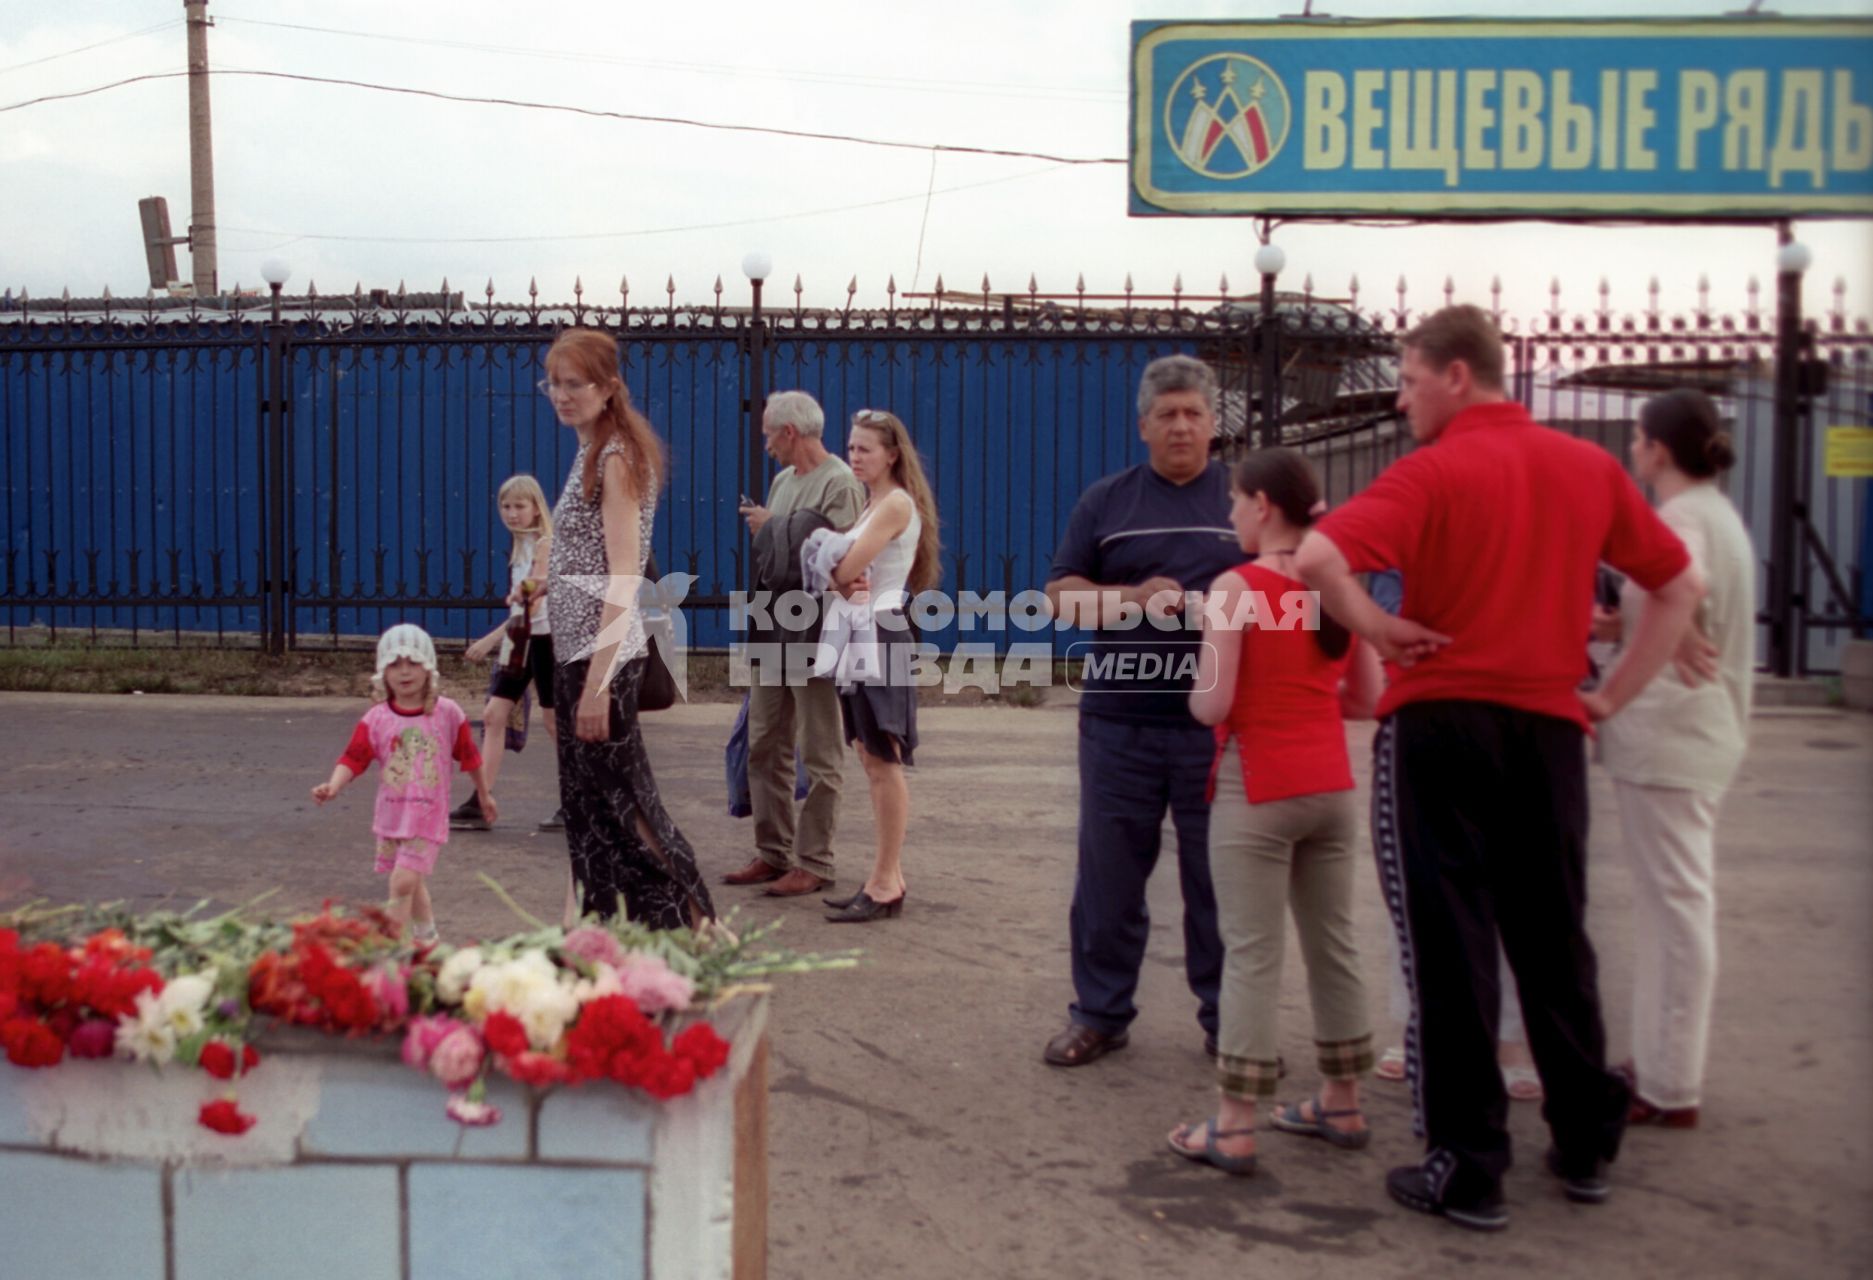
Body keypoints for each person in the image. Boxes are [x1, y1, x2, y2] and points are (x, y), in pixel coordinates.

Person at [1294, 304, 1702, 1230]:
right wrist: (1607, 699)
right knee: (1554, 938)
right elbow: (1677, 586)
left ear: (1454, 377)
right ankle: (1584, 1144)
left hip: (1440, 727)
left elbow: (1317, 555)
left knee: (1450, 945)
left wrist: (1380, 627)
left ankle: (1467, 1165)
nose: (1399, 402)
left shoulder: (1432, 471)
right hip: (1550, 732)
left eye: (1405, 381)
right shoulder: (1588, 467)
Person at [1167, 448, 1383, 1175]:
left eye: (1234, 501)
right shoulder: (1335, 581)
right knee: (1335, 942)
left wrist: (1200, 657)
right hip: (1330, 786)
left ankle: (1232, 1125)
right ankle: (1341, 1099)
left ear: (1262, 505)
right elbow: (1365, 698)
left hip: (1256, 787)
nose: (1228, 514)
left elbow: (1211, 706)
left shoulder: (1237, 586)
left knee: (1253, 952)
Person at [1041, 354, 1240, 1067]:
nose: (1181, 426)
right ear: (1143, 428)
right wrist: (1131, 598)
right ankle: (1098, 1013)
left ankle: (1228, 1025)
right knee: (1108, 878)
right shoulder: (1107, 502)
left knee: (1218, 882)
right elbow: (1060, 597)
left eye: (1193, 414)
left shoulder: (1241, 501)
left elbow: (1292, 586)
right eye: (1167, 416)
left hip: (1217, 730)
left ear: (1213, 425)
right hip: (1119, 722)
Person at [1596, 388, 1755, 1130]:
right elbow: (1663, 600)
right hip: (1687, 736)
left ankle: (1667, 1083)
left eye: (1636, 438)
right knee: (1672, 908)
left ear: (1658, 449)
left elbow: (1673, 591)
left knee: (1675, 911)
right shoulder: (1710, 515)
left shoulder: (1685, 518)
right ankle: (1661, 1061)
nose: (1632, 448)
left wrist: (1670, 622)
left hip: (1673, 735)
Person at [542, 328, 715, 930]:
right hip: (575, 652)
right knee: (591, 806)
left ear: (608, 387)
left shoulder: (616, 458)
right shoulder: (593, 450)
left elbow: (623, 578)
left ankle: (701, 924)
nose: (561, 396)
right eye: (553, 384)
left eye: (575, 384)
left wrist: (596, 684)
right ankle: (582, 928)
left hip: (600, 658)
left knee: (629, 805)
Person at [722, 390, 865, 898]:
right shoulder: (784, 481)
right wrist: (774, 530)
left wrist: (772, 527)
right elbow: (780, 554)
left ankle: (815, 861)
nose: (765, 446)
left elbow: (843, 560)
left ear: (789, 432)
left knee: (820, 749)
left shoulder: (840, 484)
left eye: (767, 435)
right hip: (772, 621)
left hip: (815, 630)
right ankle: (773, 852)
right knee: (765, 742)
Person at [816, 408, 941, 923]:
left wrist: (834, 571)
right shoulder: (873, 503)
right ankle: (883, 878)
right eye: (851, 448)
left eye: (865, 448)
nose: (854, 457)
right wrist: (835, 575)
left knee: (883, 761)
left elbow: (840, 566)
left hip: (881, 632)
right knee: (870, 757)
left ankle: (887, 881)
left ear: (892, 453)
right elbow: (834, 574)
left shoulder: (893, 504)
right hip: (861, 632)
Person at [311, 624, 495, 944]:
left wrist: (484, 794)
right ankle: (428, 939)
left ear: (429, 668)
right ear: (383, 672)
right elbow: (354, 757)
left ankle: (388, 947)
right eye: (395, 664)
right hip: (392, 816)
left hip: (427, 816)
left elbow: (470, 757)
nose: (405, 672)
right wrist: (333, 785)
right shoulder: (377, 718)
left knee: (401, 883)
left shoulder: (447, 713)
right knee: (413, 881)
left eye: (413, 662)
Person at [451, 475, 560, 833]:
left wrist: (489, 640)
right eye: (506, 506)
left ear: (535, 507)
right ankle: (481, 800)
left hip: (544, 641)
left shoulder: (545, 543)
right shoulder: (519, 546)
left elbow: (532, 598)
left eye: (519, 506)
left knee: (555, 724)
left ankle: (577, 800)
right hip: (520, 639)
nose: (512, 514)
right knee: (494, 715)